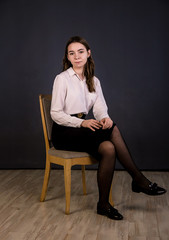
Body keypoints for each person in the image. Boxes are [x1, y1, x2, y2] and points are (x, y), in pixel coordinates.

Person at [50, 36, 166, 220]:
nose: (77, 56)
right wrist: (82, 122)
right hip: (64, 131)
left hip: (83, 129)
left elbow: (99, 107)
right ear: (68, 57)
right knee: (114, 132)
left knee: (109, 147)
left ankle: (103, 204)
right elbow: (55, 113)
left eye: (81, 52)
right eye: (72, 53)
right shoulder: (62, 79)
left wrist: (105, 118)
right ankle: (138, 179)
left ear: (88, 54)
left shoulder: (94, 81)